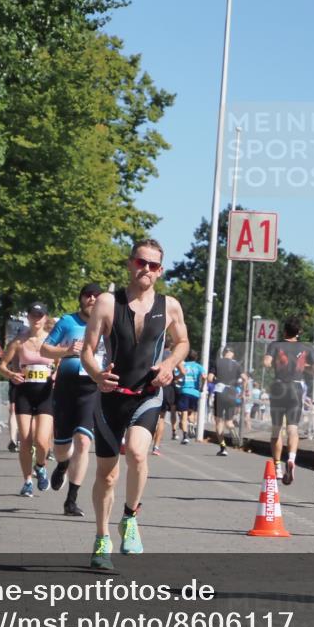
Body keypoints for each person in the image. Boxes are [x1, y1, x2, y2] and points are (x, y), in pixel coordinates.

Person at [81, 239, 189, 569]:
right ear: (131, 264)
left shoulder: (170, 305)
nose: (146, 270)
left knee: (140, 453)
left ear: (160, 271)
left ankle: (130, 517)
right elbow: (87, 349)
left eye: (153, 266)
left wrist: (169, 365)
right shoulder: (106, 303)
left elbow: (182, 342)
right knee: (107, 475)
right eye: (141, 263)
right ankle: (102, 538)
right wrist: (97, 375)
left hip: (147, 394)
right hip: (111, 397)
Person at [40, 283, 104, 517]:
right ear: (81, 299)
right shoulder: (68, 322)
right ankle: (62, 464)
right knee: (61, 447)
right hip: (67, 388)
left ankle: (71, 500)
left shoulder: (108, 325)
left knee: (84, 442)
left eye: (97, 296)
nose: (92, 299)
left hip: (92, 389)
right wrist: (66, 351)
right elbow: (44, 349)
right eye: (88, 295)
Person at [0, 303, 55, 497]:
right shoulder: (19, 341)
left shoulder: (52, 341)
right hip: (25, 392)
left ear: (46, 318)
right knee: (25, 440)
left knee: (41, 441)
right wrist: (11, 374)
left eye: (40, 315)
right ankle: (28, 481)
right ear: (28, 317)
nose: (37, 319)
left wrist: (57, 376)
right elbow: (2, 366)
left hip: (46, 393)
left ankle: (40, 466)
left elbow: (62, 361)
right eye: (33, 315)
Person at [263, 317, 313, 485]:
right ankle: (291, 459)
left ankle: (277, 466)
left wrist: (270, 362)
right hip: (296, 389)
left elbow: (267, 363)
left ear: (284, 331)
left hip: (278, 388)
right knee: (293, 429)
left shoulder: (275, 345)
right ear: (298, 333)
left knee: (276, 430)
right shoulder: (306, 348)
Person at [209, 347, 246, 456]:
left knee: (218, 421)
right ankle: (232, 430)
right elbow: (245, 378)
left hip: (220, 391)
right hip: (232, 392)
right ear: (232, 354)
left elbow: (210, 378)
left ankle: (223, 448)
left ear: (223, 353)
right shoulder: (237, 365)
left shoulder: (217, 362)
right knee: (229, 421)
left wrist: (218, 380)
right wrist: (242, 392)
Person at [152, 339, 179, 455]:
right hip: (167, 387)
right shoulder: (173, 356)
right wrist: (174, 377)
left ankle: (144, 442)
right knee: (162, 418)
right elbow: (183, 371)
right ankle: (156, 447)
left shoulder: (155, 352)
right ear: (171, 345)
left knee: (152, 415)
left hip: (154, 385)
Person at [177, 350, 204, 443]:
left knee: (184, 414)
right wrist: (202, 386)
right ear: (196, 358)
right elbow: (204, 376)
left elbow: (178, 375)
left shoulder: (183, 366)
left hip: (185, 390)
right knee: (191, 413)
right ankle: (192, 424)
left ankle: (185, 436)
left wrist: (177, 381)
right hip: (195, 392)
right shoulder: (199, 366)